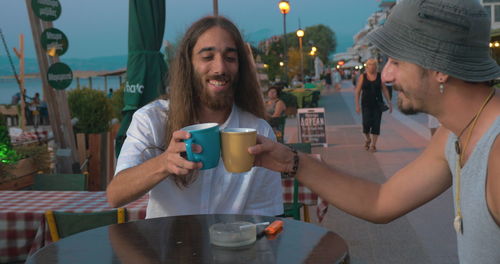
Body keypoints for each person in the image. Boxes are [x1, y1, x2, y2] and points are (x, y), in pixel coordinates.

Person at [248, 0, 500, 263]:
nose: (386, 76)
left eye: (396, 61)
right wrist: (290, 161)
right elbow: (381, 201)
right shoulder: (455, 133)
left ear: (440, 68)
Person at [106, 16, 283, 219]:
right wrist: (164, 163)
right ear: (188, 65)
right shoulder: (152, 119)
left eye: (230, 58)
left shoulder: (258, 131)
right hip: (168, 249)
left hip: (232, 247)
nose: (220, 68)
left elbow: (267, 215)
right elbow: (115, 194)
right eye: (207, 57)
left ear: (240, 66)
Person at [355, 58, 393, 152]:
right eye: (370, 65)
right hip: (366, 104)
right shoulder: (362, 77)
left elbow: (384, 89)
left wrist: (389, 102)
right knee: (366, 123)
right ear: (367, 67)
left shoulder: (380, 76)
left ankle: (373, 145)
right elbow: (358, 91)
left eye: (373, 65)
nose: (372, 67)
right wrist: (357, 105)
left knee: (376, 124)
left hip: (377, 104)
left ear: (376, 67)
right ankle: (368, 139)